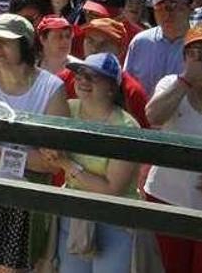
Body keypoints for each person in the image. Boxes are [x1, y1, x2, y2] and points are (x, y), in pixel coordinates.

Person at [0, 14, 69, 273]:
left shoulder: (51, 88)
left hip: (25, 199)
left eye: (5, 42)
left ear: (26, 45)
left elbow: (53, 163)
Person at [47, 53, 142, 273]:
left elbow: (112, 189)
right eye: (80, 74)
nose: (82, 80)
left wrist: (67, 164)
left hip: (114, 220)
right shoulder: (66, 109)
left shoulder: (127, 128)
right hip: (74, 213)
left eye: (92, 76)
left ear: (112, 87)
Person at [143, 25, 202, 273]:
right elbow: (153, 116)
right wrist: (186, 80)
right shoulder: (171, 84)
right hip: (166, 199)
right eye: (195, 52)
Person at [56, 17, 152, 128]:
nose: (95, 48)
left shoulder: (132, 91)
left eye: (104, 43)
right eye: (90, 40)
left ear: (121, 50)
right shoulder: (64, 79)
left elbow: (143, 137)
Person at [126, 0, 193, 95]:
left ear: (190, 9)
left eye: (174, 6)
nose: (167, 13)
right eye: (160, 8)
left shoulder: (201, 44)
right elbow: (127, 83)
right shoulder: (141, 42)